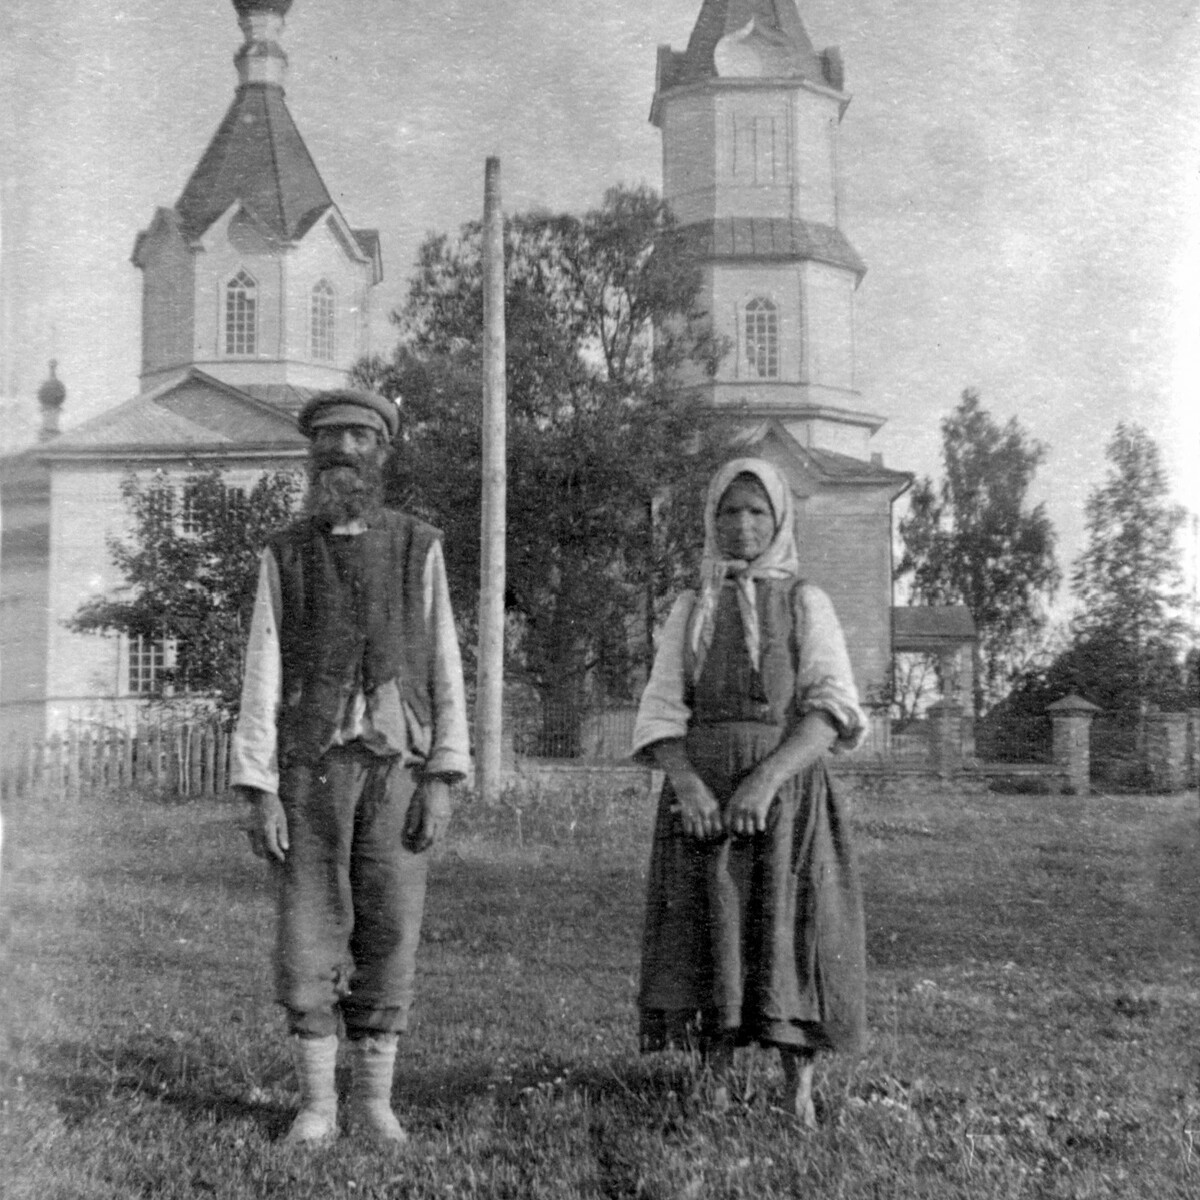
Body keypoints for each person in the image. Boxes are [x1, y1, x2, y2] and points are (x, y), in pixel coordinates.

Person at [231, 387, 470, 1147]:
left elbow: (445, 666)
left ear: (382, 453)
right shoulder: (285, 552)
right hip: (311, 773)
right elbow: (261, 670)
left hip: (396, 772)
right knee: (309, 930)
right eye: (329, 440)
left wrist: (442, 774)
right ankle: (317, 1105)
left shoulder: (417, 545)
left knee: (391, 927)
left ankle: (373, 1101)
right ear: (312, 455)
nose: (343, 452)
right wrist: (259, 787)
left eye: (359, 440)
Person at [631, 457, 867, 1127]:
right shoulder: (691, 606)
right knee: (712, 923)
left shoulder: (805, 602)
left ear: (779, 520)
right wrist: (688, 786)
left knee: (791, 925)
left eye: (756, 511)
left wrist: (766, 780)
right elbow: (661, 707)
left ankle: (798, 1090)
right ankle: (714, 1075)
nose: (742, 525)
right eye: (728, 512)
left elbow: (830, 709)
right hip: (703, 793)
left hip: (787, 795)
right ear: (712, 521)